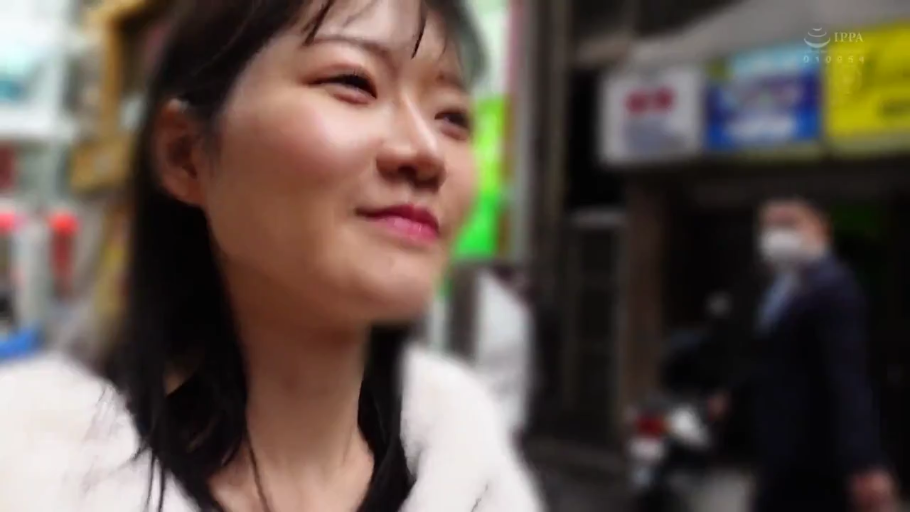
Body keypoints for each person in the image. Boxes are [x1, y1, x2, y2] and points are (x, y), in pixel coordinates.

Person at [0, 1, 541, 511]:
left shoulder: (473, 473)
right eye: (353, 82)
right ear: (186, 154)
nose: (428, 152)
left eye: (453, 118)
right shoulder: (31, 469)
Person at [709, 198, 895, 512]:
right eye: (769, 227)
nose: (777, 236)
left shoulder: (833, 287)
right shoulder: (782, 287)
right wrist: (734, 394)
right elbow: (772, 357)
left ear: (821, 228)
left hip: (817, 455)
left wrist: (864, 462)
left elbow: (848, 378)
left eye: (789, 224)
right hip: (781, 449)